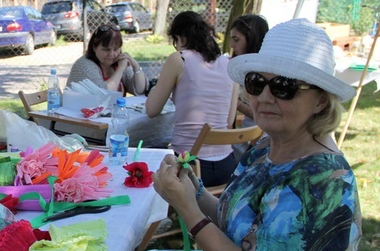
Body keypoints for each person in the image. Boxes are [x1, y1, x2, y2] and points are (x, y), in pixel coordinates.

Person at [91, 18, 361, 251]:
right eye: (256, 82)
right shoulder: (270, 146)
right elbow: (237, 223)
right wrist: (194, 188)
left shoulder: (319, 182)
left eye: (283, 87)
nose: (264, 97)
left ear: (319, 101)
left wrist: (188, 210)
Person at [146, 11, 237, 187]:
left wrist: (158, 86)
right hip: (227, 165)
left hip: (189, 166)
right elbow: (229, 119)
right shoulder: (229, 64)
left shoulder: (179, 59)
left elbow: (152, 110)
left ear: (179, 38)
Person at [66, 24, 148, 96]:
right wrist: (120, 69)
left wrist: (136, 66)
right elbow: (104, 94)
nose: (112, 54)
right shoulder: (84, 65)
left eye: (116, 49)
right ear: (94, 47)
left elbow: (140, 90)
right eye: (106, 49)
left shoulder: (119, 61)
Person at [230, 14, 269, 126]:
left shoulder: (264, 72)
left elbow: (261, 116)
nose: (232, 45)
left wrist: (234, 102)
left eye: (236, 40)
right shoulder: (243, 67)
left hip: (256, 136)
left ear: (252, 39)